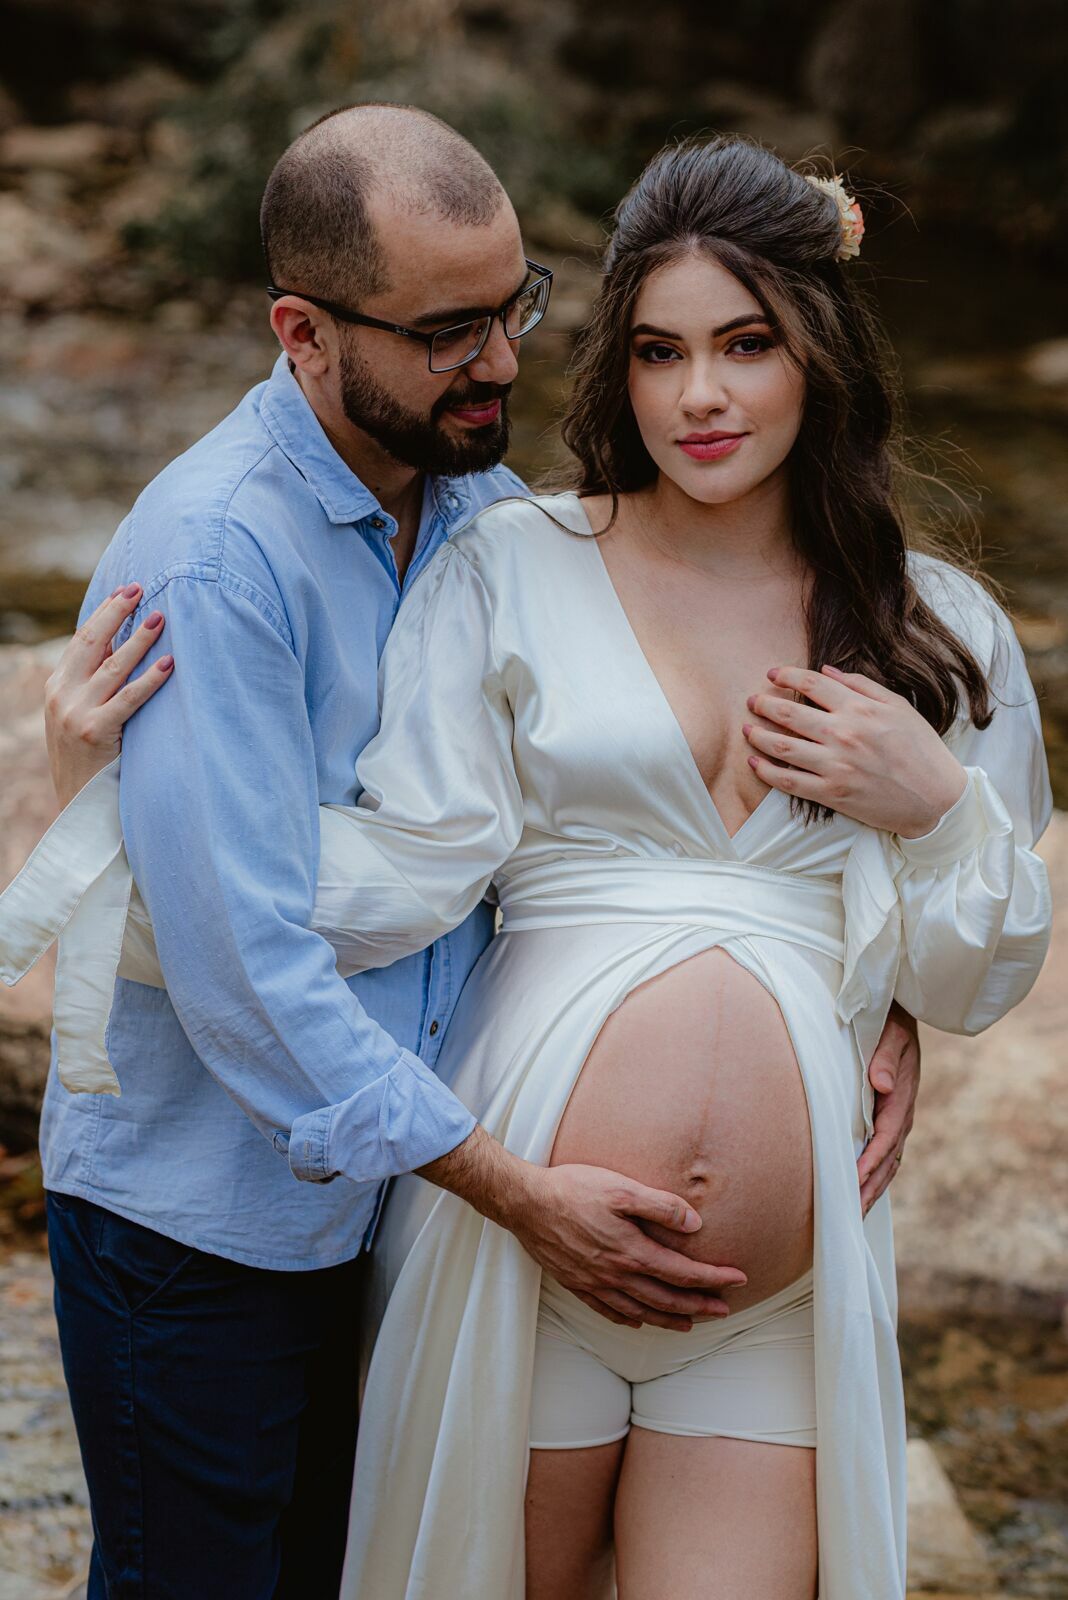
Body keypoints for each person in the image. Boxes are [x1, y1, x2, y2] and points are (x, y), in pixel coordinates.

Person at [0, 130, 951, 1596]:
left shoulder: (481, 508)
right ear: (304, 335)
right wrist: (511, 1187)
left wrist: (879, 994)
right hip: (210, 1220)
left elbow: (530, 843)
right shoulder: (213, 558)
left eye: (517, 307)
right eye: (450, 332)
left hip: (389, 1212)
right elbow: (242, 966)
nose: (501, 362)